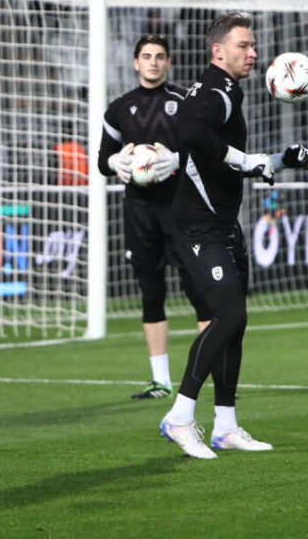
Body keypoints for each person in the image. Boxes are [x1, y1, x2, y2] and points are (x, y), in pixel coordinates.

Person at [158, 11, 308, 459]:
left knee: (235, 323)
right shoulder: (215, 91)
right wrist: (247, 160)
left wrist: (279, 160)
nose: (253, 53)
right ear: (218, 50)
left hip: (223, 225)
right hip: (197, 226)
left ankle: (225, 426)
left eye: (252, 45)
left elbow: (223, 162)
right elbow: (190, 132)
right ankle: (179, 417)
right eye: (244, 46)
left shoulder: (226, 92)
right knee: (228, 315)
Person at [97, 35, 211, 400]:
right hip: (140, 212)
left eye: (160, 56)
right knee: (151, 292)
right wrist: (115, 161)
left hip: (181, 208)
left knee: (199, 291)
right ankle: (160, 381)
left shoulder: (185, 101)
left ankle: (211, 376)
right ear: (135, 62)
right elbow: (102, 162)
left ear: (169, 62)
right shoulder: (118, 109)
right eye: (146, 56)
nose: (153, 62)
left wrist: (176, 159)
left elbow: (205, 149)